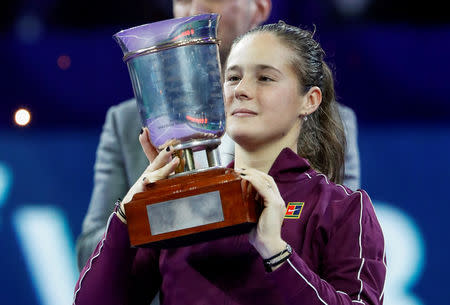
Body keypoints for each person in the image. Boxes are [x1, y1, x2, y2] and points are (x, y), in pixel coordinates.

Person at [73, 22, 385, 305]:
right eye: (233, 77)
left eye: (264, 78)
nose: (241, 90)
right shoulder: (186, 204)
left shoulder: (340, 208)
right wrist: (129, 211)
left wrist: (277, 255)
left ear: (310, 100)